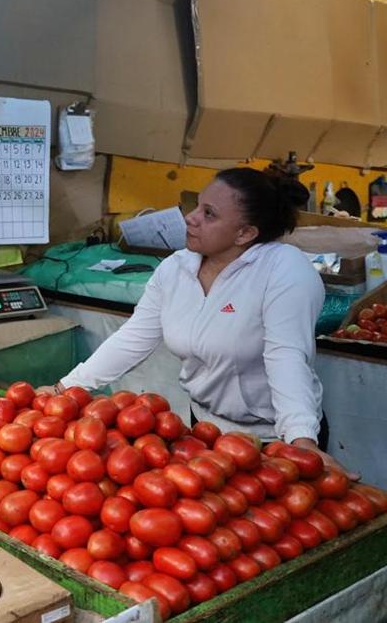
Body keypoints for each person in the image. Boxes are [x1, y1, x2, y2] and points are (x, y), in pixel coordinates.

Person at [41, 168, 356, 478]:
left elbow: (286, 355)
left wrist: (301, 439)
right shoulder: (176, 268)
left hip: (275, 438)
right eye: (197, 207)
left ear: (245, 233)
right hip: (206, 430)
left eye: (209, 214)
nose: (191, 218)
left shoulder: (284, 270)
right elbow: (133, 338)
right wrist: (66, 388)